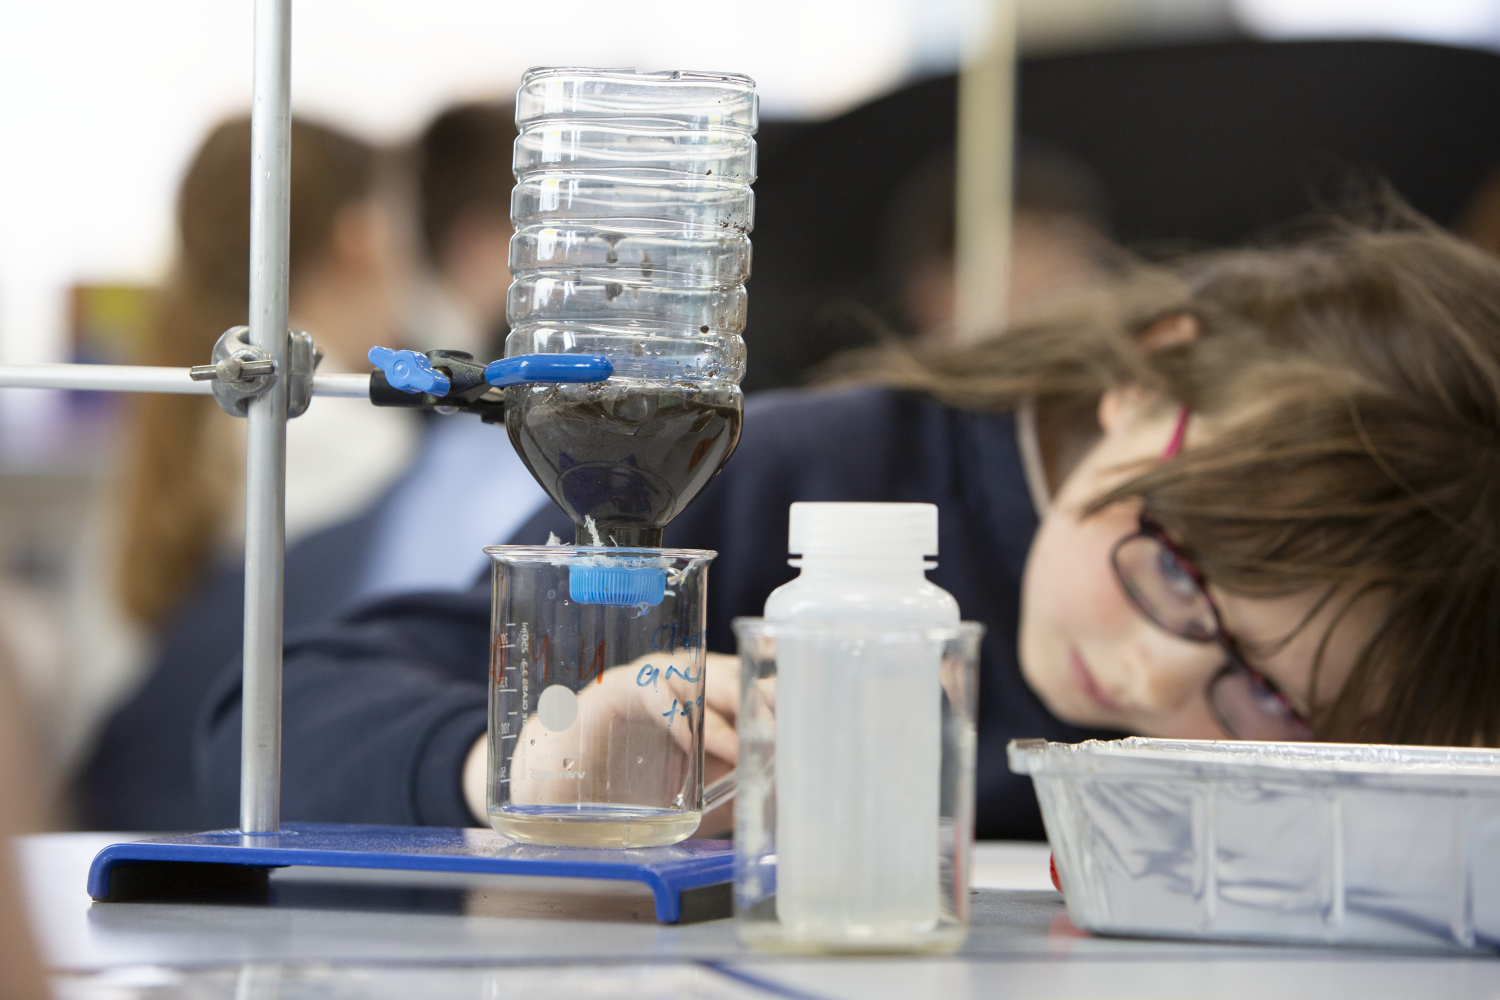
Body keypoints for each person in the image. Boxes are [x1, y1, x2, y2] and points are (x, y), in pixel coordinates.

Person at [191, 207, 1500, 839]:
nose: (1154, 679)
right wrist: (520, 771)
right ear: (1153, 373)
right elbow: (269, 723)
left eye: (1266, 700)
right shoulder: (762, 471)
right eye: (1172, 572)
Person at [76, 116, 419, 829]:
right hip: (234, 823)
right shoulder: (362, 446)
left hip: (111, 828)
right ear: (360, 238)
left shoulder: (173, 421)